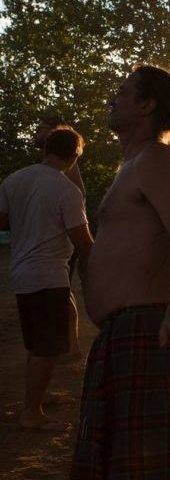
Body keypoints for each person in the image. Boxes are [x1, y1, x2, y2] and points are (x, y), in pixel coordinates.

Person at [69, 64, 170, 480]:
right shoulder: (140, 163)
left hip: (146, 330)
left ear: (147, 104)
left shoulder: (156, 160)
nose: (112, 99)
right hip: (127, 333)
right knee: (136, 468)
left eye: (122, 92)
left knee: (144, 474)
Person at [0, 126, 92, 431]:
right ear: (74, 155)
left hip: (21, 272)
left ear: (45, 149)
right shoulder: (67, 190)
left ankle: (36, 398)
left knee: (38, 343)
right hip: (49, 274)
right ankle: (31, 412)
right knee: (48, 347)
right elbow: (81, 239)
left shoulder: (14, 180)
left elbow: (3, 221)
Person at [34, 115, 86, 360]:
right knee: (63, 290)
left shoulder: (68, 162)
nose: (36, 134)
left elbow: (78, 194)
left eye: (42, 130)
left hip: (66, 233)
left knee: (63, 290)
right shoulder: (50, 162)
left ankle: (71, 345)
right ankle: (70, 344)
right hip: (59, 232)